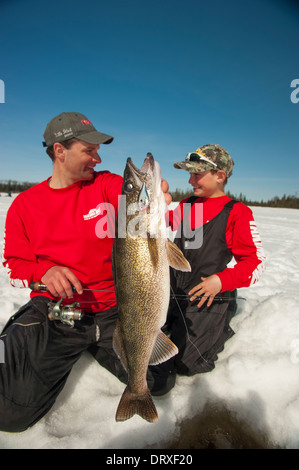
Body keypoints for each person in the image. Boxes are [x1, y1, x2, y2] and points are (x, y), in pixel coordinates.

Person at [0, 111, 170, 432]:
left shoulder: (105, 185)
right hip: (58, 316)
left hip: (113, 313)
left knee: (157, 380)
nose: (97, 157)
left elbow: (135, 202)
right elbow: (14, 266)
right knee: (12, 414)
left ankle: (103, 348)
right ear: (59, 151)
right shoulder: (24, 205)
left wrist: (156, 195)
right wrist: (44, 271)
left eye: (97, 150)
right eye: (88, 150)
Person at [149, 144, 266, 394]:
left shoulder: (236, 213)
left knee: (188, 363)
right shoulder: (188, 205)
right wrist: (152, 202)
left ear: (219, 175)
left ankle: (220, 326)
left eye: (196, 174)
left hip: (207, 296)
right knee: (151, 351)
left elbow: (255, 263)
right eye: (189, 174)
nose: (190, 180)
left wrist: (221, 281)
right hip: (173, 291)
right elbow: (158, 224)